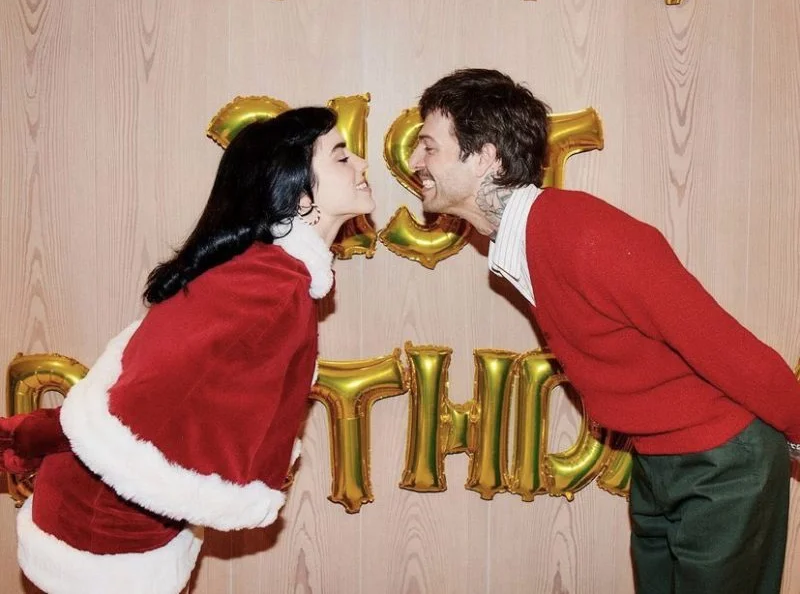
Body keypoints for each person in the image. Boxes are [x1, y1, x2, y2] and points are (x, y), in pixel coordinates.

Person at [408, 68, 800, 594]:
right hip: (658, 461)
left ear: (485, 157)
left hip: (724, 463)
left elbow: (726, 347)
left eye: (429, 147)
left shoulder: (581, 233)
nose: (416, 162)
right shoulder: (524, 242)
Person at [0, 106, 374, 594]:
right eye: (342, 157)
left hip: (118, 500)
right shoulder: (273, 288)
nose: (362, 164)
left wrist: (35, 436)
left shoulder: (267, 272)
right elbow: (151, 393)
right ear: (301, 195)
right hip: (105, 521)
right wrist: (35, 436)